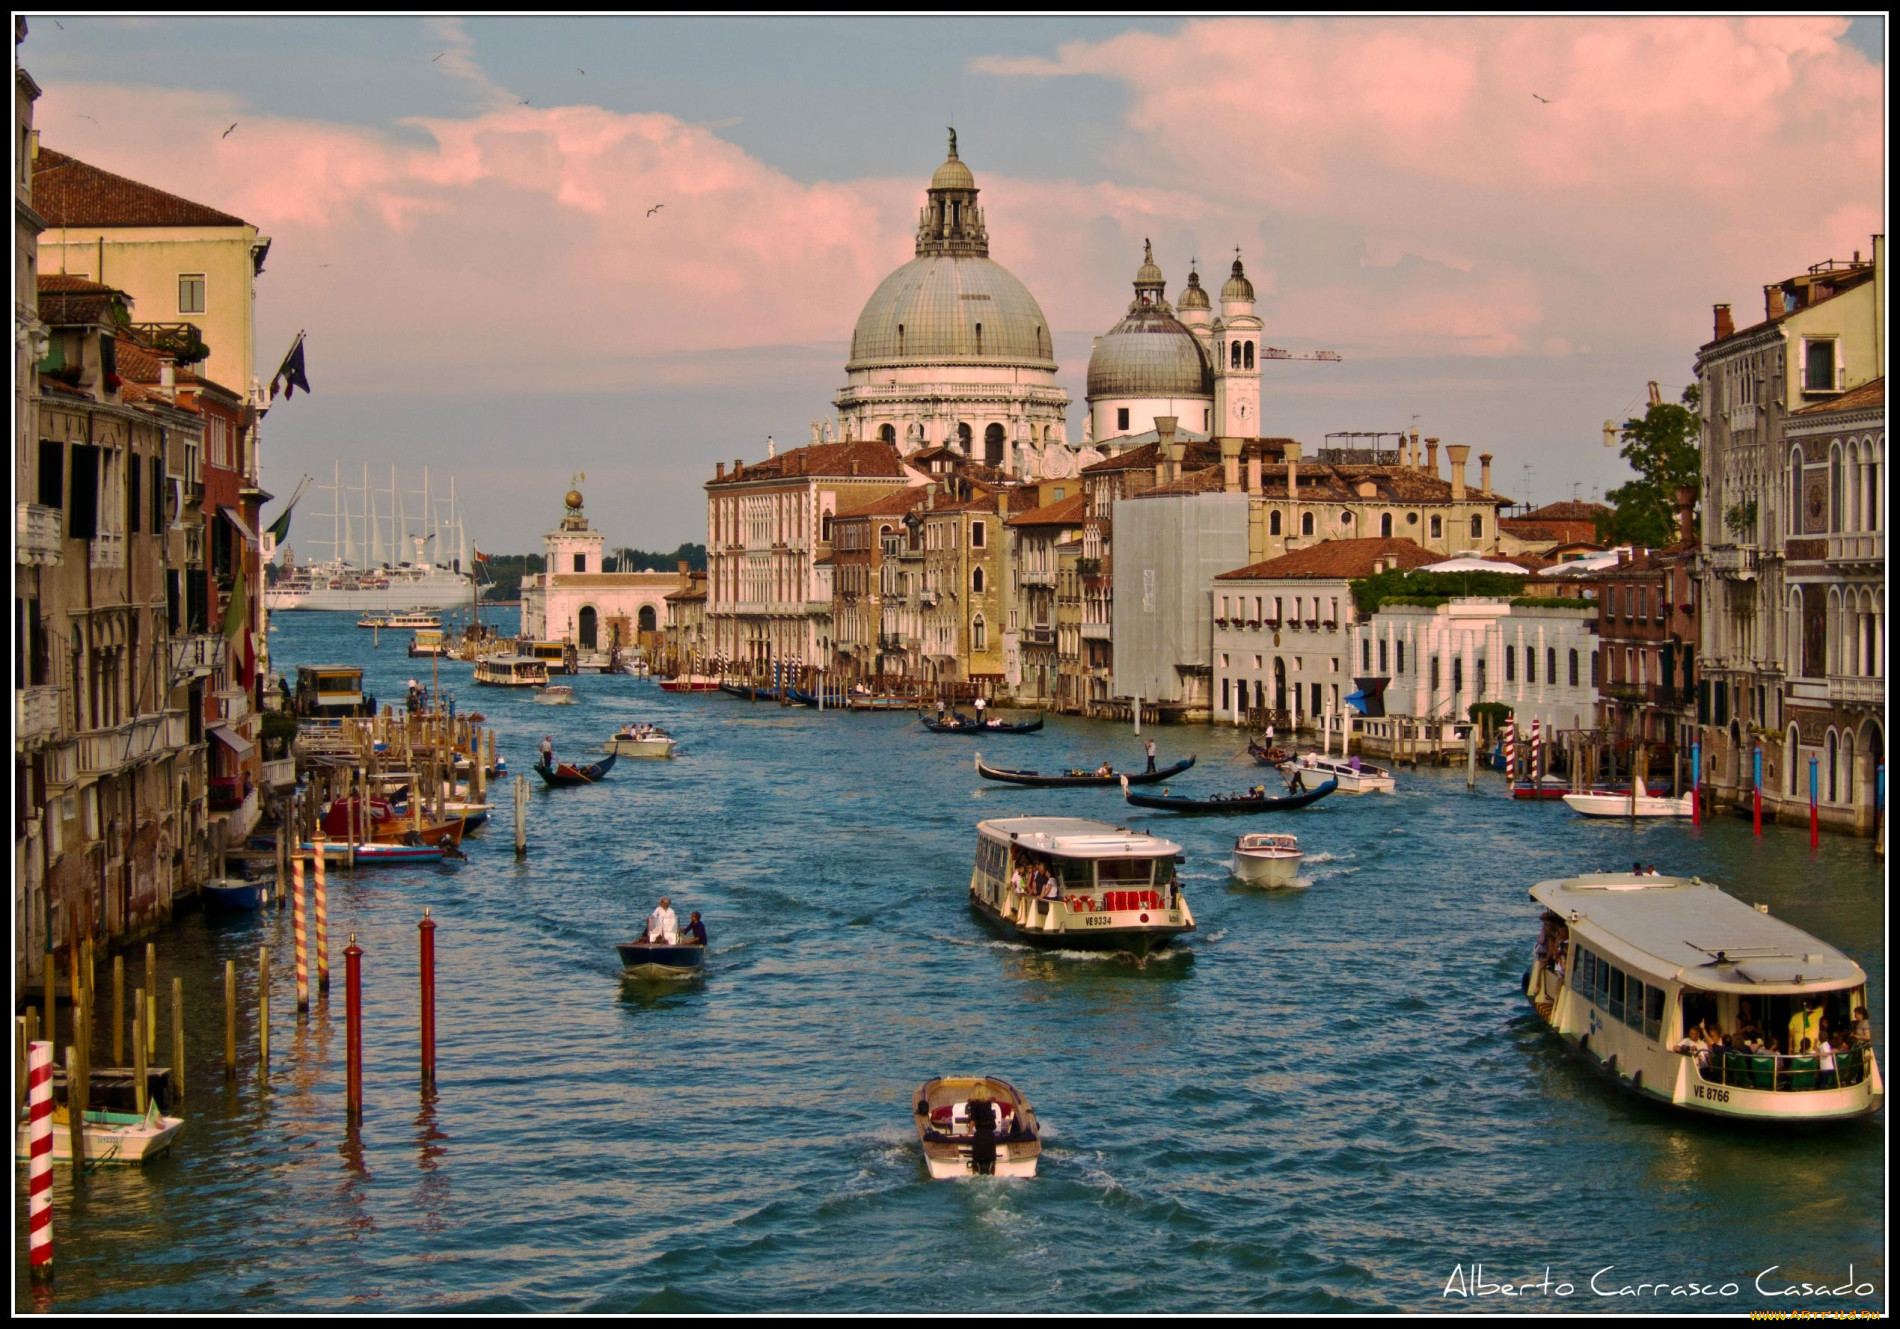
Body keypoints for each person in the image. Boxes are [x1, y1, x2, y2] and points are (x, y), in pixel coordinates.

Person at [966, 1091, 998, 1175]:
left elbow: (972, 1119)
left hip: (979, 1136)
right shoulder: (988, 1102)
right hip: (990, 1136)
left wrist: (969, 1132)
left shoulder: (974, 1104)